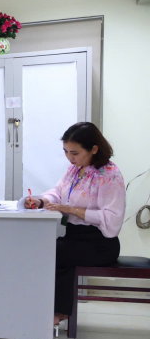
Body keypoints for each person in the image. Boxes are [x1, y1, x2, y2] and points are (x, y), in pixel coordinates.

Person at [23, 122, 124, 326]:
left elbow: (112, 219)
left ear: (94, 149)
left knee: (52, 253)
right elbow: (58, 191)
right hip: (75, 237)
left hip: (99, 243)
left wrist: (71, 210)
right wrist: (41, 201)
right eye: (66, 152)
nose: (69, 158)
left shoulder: (109, 174)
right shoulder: (74, 170)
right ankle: (45, 308)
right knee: (48, 250)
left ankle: (57, 311)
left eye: (75, 153)